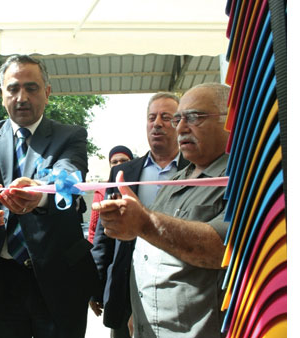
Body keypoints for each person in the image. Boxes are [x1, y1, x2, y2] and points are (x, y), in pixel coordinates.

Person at [0, 55, 99, 338]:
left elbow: (69, 174)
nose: (22, 97)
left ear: (47, 92)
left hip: (58, 281)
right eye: (13, 88)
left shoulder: (70, 136)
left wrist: (39, 193)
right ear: (2, 94)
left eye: (31, 88)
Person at [92, 83, 231, 337]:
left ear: (230, 119)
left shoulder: (245, 178)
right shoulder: (178, 178)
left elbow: (223, 248)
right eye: (178, 119)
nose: (181, 127)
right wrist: (139, 310)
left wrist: (144, 224)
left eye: (194, 117)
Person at [90, 92, 188, 338]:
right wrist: (96, 285)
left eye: (166, 117)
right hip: (126, 289)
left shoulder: (198, 170)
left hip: (179, 286)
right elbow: (105, 235)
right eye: (152, 117)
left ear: (180, 124)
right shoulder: (123, 174)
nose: (157, 123)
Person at [87, 145, 134, 244]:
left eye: (124, 161)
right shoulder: (101, 191)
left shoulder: (141, 186)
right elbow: (93, 230)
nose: (119, 164)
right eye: (114, 162)